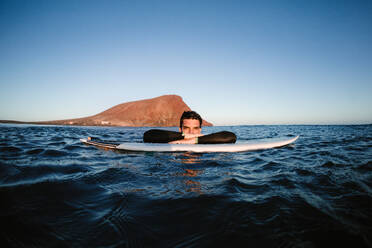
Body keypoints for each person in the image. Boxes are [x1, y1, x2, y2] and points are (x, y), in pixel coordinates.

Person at [143, 111, 236, 144]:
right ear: (180, 129)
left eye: (195, 128)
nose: (191, 132)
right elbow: (148, 135)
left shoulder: (207, 139)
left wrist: (194, 140)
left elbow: (231, 136)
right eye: (187, 128)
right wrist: (184, 136)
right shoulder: (172, 142)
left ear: (200, 130)